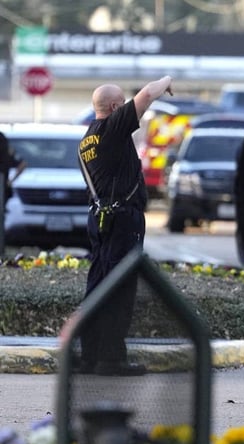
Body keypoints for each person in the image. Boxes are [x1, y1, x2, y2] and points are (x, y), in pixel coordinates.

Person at [77, 76, 173, 376]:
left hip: (101, 219)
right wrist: (167, 80)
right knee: (120, 288)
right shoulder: (112, 130)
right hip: (122, 221)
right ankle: (112, 359)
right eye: (123, 105)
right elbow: (146, 95)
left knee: (97, 287)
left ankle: (90, 356)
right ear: (116, 107)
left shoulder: (87, 140)